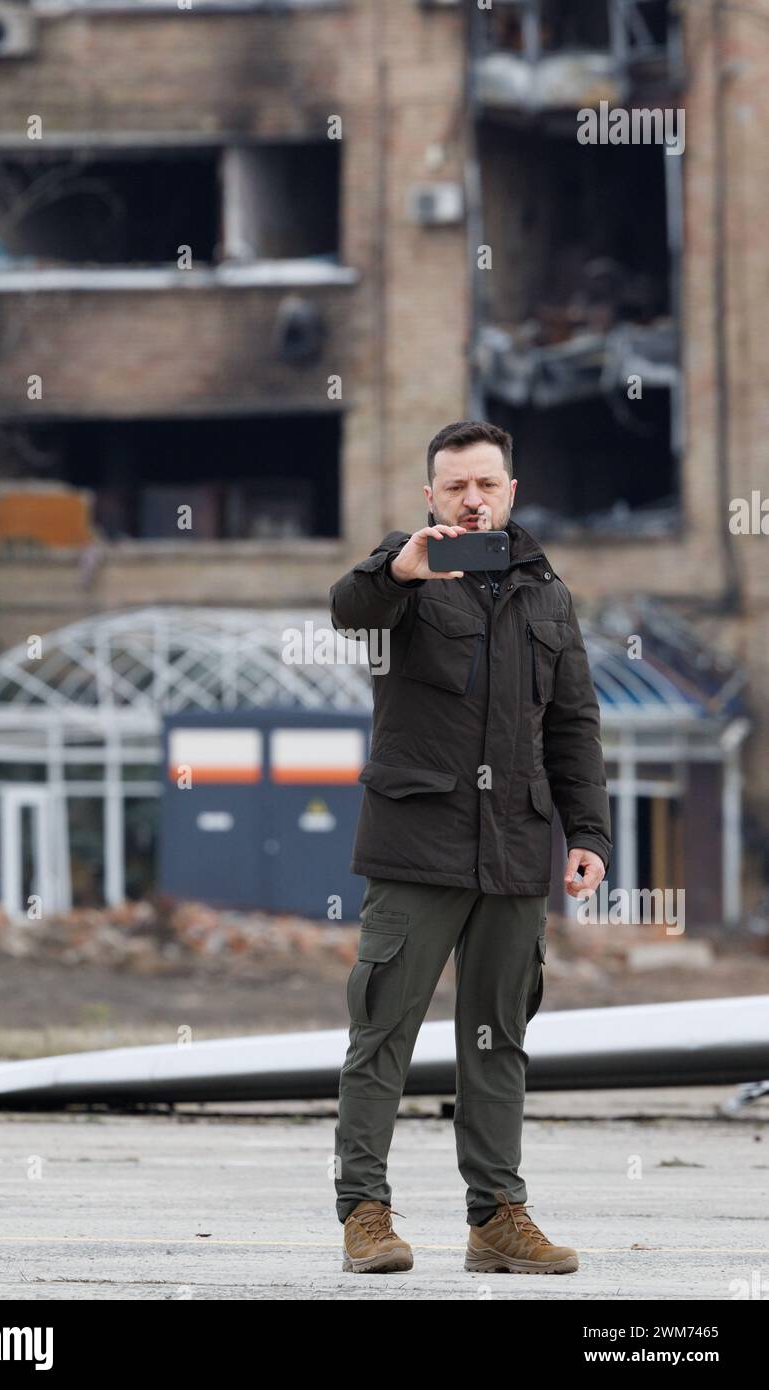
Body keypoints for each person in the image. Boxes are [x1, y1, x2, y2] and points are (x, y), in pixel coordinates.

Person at [330, 420, 612, 1275]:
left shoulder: (547, 595)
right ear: (431, 495)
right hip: (418, 844)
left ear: (510, 490)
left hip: (515, 849)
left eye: (485, 484)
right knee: (382, 1031)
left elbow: (573, 724)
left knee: (498, 1038)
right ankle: (365, 1217)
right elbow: (350, 610)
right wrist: (396, 568)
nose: (471, 498)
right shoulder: (405, 573)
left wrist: (588, 831)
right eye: (455, 486)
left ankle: (495, 1218)